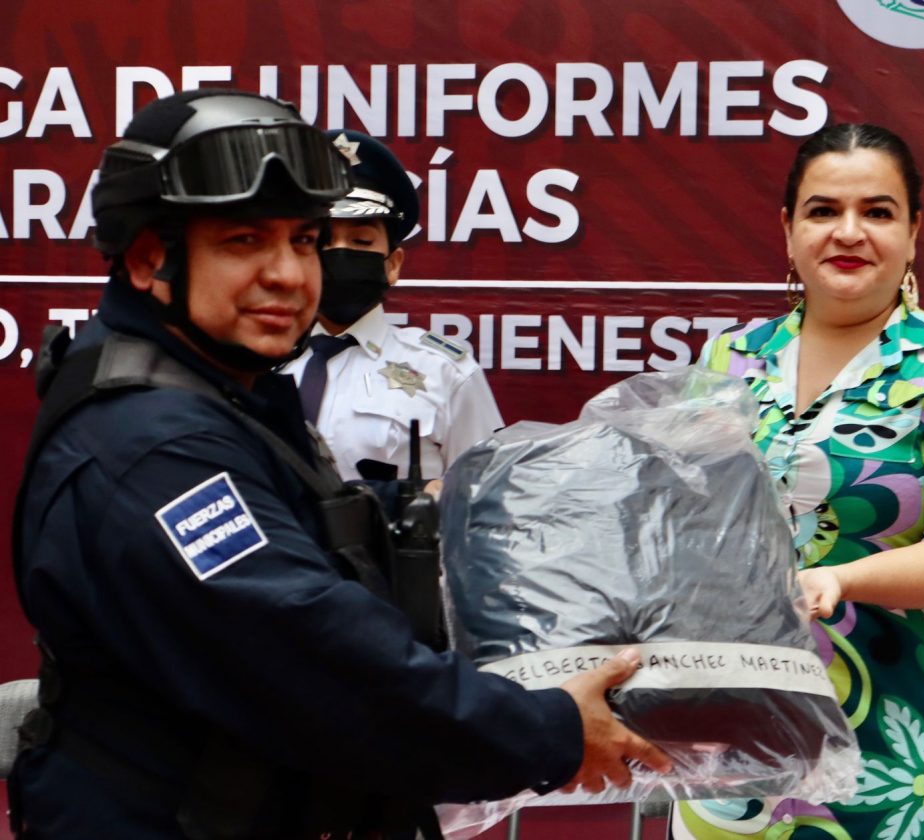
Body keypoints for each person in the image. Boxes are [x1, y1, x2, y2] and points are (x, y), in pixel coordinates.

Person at [9, 89, 670, 840]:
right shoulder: (156, 444)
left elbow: (318, 541)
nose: (291, 275)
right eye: (244, 241)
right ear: (149, 258)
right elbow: (311, 656)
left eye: (303, 240)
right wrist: (549, 727)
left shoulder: (224, 395)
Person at [670, 124, 924, 840]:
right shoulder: (731, 357)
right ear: (789, 230)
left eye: (878, 212)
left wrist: (840, 580)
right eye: (823, 210)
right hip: (731, 731)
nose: (848, 232)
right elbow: (687, 528)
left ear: (913, 232)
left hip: (895, 742)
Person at [285, 129, 503, 486]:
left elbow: (483, 495)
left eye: (361, 240)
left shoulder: (444, 371)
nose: (340, 253)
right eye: (321, 240)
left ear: (393, 264)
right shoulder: (255, 362)